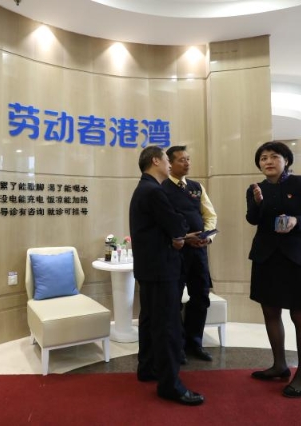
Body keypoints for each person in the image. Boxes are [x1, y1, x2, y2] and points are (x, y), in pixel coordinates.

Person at [245, 141, 301, 398]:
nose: (268, 161)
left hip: (296, 258)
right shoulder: (256, 188)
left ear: (286, 160)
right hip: (266, 257)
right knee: (270, 312)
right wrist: (257, 203)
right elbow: (252, 219)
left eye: (274, 156)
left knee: (300, 315)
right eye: (263, 158)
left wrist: (297, 221)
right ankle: (279, 365)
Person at [129, 145, 205, 406]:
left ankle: (148, 368)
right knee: (169, 326)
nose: (170, 165)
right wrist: (181, 234)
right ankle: (171, 385)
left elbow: (164, 230)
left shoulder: (143, 188)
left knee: (150, 320)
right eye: (166, 160)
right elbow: (177, 225)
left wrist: (179, 236)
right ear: (155, 161)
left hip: (149, 268)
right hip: (162, 269)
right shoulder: (154, 191)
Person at [162, 145, 217, 363]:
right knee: (173, 300)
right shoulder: (161, 188)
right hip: (175, 253)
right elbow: (160, 224)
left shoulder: (196, 187)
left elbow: (210, 215)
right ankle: (177, 346)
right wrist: (184, 238)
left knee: (201, 297)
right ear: (170, 163)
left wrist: (208, 237)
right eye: (181, 160)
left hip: (199, 253)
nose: (187, 163)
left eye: (188, 159)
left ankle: (195, 343)